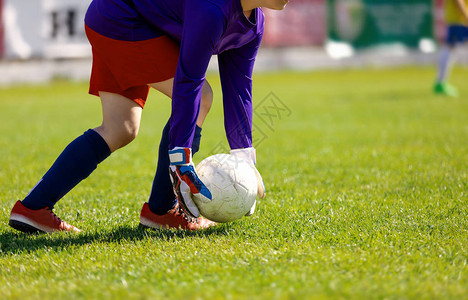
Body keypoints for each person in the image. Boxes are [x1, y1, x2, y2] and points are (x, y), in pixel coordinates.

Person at [8, 0, 285, 233]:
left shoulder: (255, 24)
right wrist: (180, 159)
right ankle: (162, 211)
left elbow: (239, 89)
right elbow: (189, 83)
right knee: (202, 97)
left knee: (120, 127)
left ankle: (33, 208)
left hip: (118, 16)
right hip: (119, 16)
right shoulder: (211, 8)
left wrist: (244, 158)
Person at [434, 0, 468, 97]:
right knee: (449, 47)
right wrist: (466, 17)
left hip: (457, 20)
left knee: (450, 47)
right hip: (459, 20)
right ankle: (441, 82)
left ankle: (441, 82)